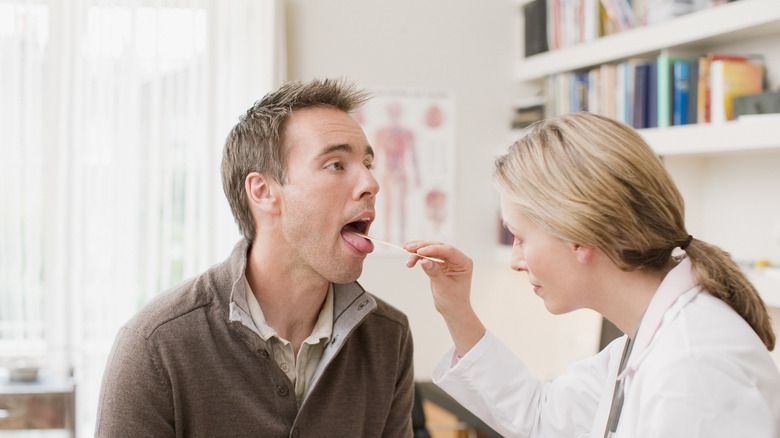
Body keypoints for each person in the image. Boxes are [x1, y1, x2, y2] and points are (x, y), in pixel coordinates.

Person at [403, 112, 780, 437]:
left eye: (520, 238)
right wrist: (456, 308)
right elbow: (541, 416)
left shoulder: (693, 369)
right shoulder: (644, 341)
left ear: (578, 236)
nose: (517, 261)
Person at [96, 78, 415, 437]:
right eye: (336, 165)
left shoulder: (390, 338)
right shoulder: (155, 347)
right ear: (263, 192)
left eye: (368, 164)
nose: (371, 183)